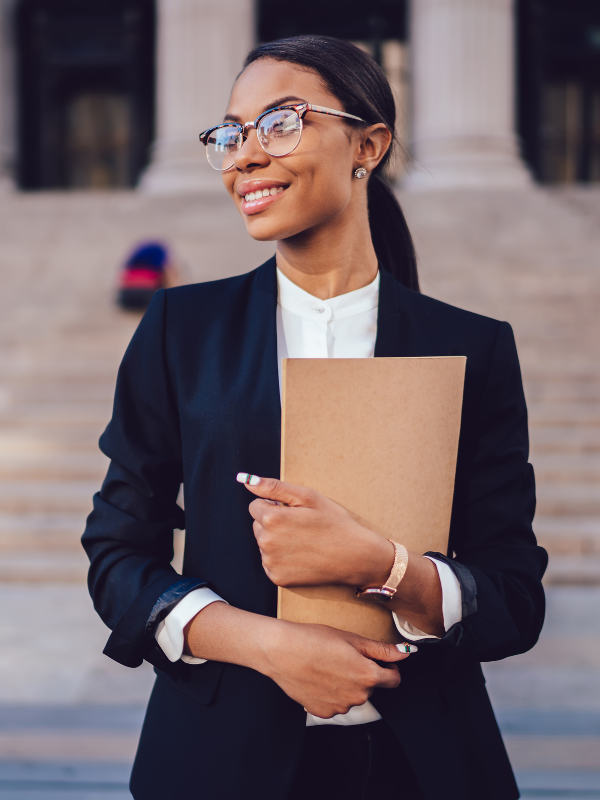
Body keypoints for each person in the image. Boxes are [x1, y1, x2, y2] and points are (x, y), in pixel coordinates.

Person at [82, 35, 547, 800]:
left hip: (424, 767)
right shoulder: (179, 330)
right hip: (215, 766)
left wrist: (383, 567)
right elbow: (117, 555)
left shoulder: (472, 347)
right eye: (230, 134)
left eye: (280, 123)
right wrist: (270, 646)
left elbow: (513, 599)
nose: (245, 156)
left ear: (368, 144)